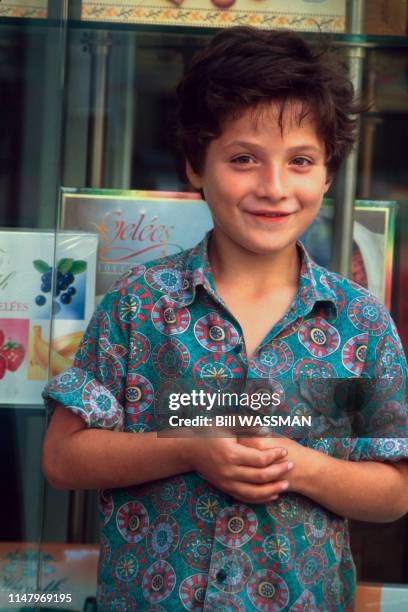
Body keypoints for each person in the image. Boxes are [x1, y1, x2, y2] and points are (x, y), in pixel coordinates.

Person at [42, 27, 408, 611]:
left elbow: (395, 491)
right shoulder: (140, 304)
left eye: (301, 161)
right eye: (244, 159)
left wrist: (301, 465)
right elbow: (63, 458)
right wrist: (188, 450)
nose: (274, 187)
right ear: (194, 165)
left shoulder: (360, 322)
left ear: (328, 174)